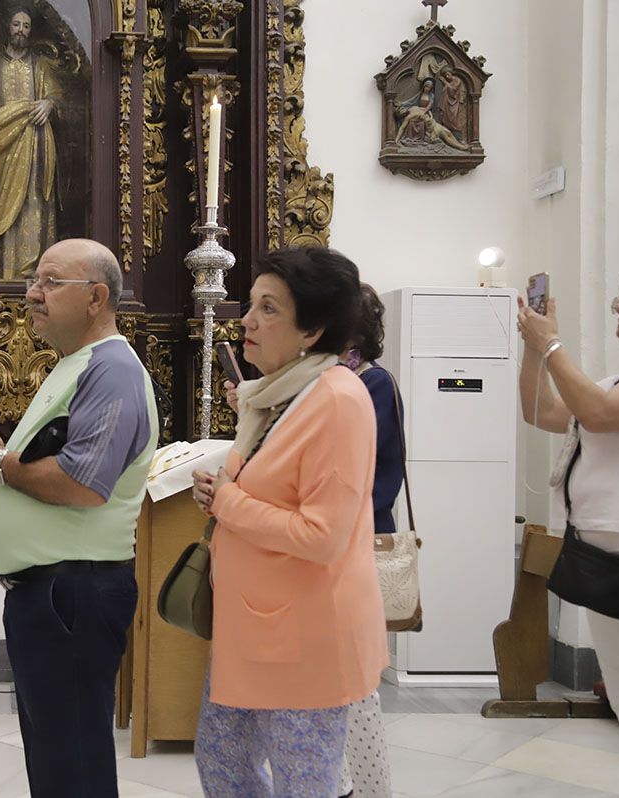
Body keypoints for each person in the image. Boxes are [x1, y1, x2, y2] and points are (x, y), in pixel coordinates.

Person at [191, 247, 388, 797]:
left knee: (304, 783)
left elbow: (322, 537)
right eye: (251, 304)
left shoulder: (337, 400)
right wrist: (217, 491)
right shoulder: (276, 395)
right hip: (252, 626)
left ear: (313, 329)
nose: (247, 320)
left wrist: (228, 502)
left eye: (269, 309)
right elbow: (258, 482)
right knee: (222, 763)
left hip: (304, 635)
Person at [0, 238, 157, 797]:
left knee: (71, 762)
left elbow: (81, 485)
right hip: (54, 592)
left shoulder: (113, 370)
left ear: (96, 296)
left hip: (74, 592)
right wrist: (4, 457)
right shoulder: (77, 365)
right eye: (35, 281)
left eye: (50, 282)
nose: (32, 294)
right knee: (56, 758)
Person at [517, 268, 619, 794]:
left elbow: (598, 413)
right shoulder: (618, 381)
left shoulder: (617, 394)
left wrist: (553, 345)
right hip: (608, 568)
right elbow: (541, 410)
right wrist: (533, 344)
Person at [335, 283, 400, 798]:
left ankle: (368, 788)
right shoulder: (324, 379)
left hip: (357, 538)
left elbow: (382, 469)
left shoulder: (373, 382)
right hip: (330, 539)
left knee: (354, 680)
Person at [0, 6, 62, 279]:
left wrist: (48, 103)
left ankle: (29, 270)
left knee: (31, 203)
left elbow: (56, 93)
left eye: (26, 25)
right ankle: (0, 271)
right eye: (17, 24)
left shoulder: (39, 64)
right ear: (8, 27)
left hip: (32, 143)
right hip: (0, 142)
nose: (21, 30)